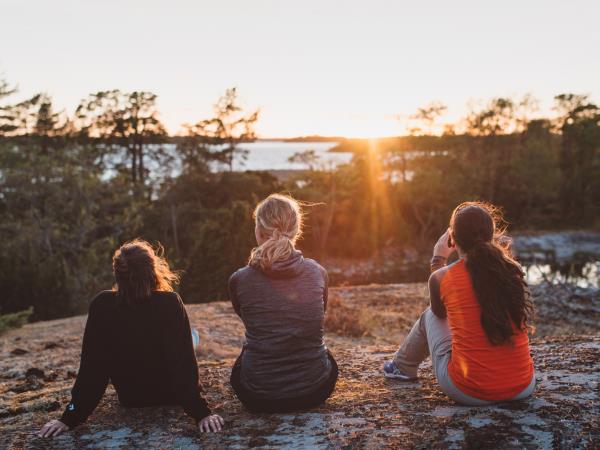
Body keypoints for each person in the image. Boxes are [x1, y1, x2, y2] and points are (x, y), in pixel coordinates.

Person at [39, 240, 224, 438]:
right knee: (189, 339)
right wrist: (201, 413)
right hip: (171, 395)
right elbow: (182, 363)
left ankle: (192, 337)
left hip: (131, 398)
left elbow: (92, 368)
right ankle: (193, 337)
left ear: (117, 273)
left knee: (184, 339)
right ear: (153, 270)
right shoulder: (169, 302)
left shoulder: (102, 305)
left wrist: (70, 417)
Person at [383, 202, 535, 405]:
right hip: (523, 386)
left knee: (429, 315)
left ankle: (402, 367)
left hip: (469, 391)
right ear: (491, 236)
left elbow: (440, 313)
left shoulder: (442, 276)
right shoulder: (513, 270)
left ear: (452, 239)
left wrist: (438, 260)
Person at [228, 194, 338, 412]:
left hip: (258, 396)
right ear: (297, 231)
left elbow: (247, 318)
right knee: (324, 351)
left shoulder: (239, 280)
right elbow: (319, 315)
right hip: (315, 390)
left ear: (259, 232)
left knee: (246, 353)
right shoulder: (318, 273)